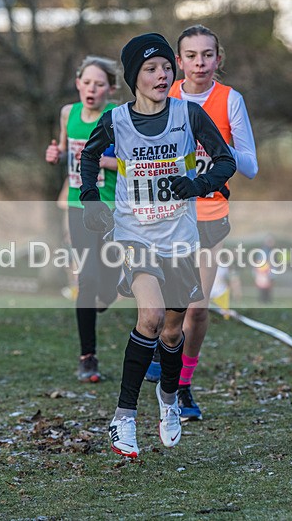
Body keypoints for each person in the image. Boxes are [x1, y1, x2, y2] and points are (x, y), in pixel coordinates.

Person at [79, 33, 236, 458]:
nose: (162, 75)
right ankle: (124, 417)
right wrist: (90, 198)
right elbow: (89, 157)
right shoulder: (116, 120)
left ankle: (168, 399)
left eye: (167, 67)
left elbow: (226, 161)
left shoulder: (189, 114)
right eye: (151, 69)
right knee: (149, 316)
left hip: (180, 237)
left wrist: (198, 184)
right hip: (135, 234)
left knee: (171, 329)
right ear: (134, 77)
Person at [143, 25, 259, 422]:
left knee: (195, 309)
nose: (200, 63)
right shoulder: (164, 95)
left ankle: (183, 384)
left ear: (218, 59)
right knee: (161, 306)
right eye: (191, 56)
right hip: (166, 215)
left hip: (210, 214)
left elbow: (251, 166)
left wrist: (217, 146)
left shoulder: (230, 100)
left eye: (207, 55)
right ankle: (159, 359)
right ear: (178, 61)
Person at [45, 56, 121, 382]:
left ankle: (108, 294)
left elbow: (133, 162)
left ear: (111, 89)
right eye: (87, 82)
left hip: (113, 207)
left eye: (99, 84)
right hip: (79, 204)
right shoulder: (68, 113)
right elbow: (63, 148)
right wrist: (56, 154)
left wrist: (102, 160)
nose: (92, 89)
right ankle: (87, 357)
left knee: (108, 282)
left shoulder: (118, 117)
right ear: (78, 83)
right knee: (86, 278)